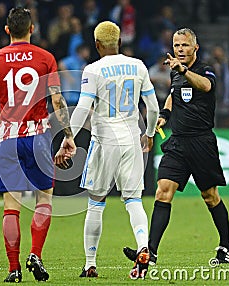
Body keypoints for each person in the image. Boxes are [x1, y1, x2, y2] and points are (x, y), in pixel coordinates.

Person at [0, 7, 76, 283]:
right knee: (44, 198)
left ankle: (13, 268)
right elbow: (57, 100)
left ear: (7, 30)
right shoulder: (45, 58)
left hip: (7, 138)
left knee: (11, 205)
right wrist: (68, 134)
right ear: (32, 29)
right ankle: (36, 254)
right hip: (38, 136)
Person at [123, 28, 229, 265]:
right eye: (176, 45)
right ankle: (150, 253)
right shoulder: (176, 72)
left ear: (195, 47)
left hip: (201, 142)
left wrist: (182, 70)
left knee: (210, 195)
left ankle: (226, 246)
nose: (180, 50)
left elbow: (205, 86)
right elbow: (174, 94)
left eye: (184, 45)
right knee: (163, 190)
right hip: (178, 142)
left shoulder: (204, 70)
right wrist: (164, 115)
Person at [60, 21, 159, 279]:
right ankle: (144, 247)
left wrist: (68, 136)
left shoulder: (92, 69)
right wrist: (148, 135)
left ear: (97, 45)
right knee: (134, 201)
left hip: (104, 139)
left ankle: (90, 264)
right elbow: (153, 107)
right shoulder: (138, 66)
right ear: (119, 42)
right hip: (132, 139)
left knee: (96, 203)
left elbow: (83, 107)